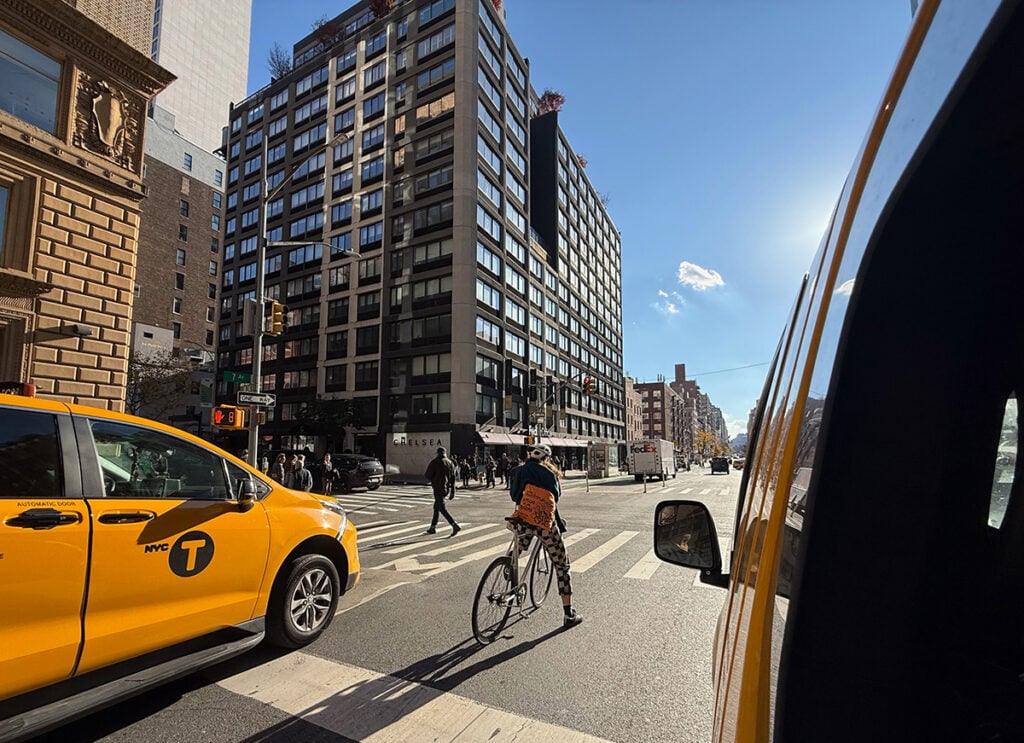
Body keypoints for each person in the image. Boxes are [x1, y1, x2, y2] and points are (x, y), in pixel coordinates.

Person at [508, 443, 582, 628]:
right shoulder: (550, 474)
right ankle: (568, 613)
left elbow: (514, 495)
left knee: (520, 543)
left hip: (524, 518)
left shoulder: (518, 471)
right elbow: (554, 499)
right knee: (562, 565)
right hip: (544, 524)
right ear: (545, 459)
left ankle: (510, 561)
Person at [424, 447, 460, 536]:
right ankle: (433, 527)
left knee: (441, 508)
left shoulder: (435, 462)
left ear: (437, 453)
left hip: (438, 487)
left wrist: (434, 479)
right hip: (446, 489)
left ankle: (454, 524)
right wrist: (453, 491)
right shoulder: (450, 462)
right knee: (436, 506)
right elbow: (453, 478)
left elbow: (427, 475)